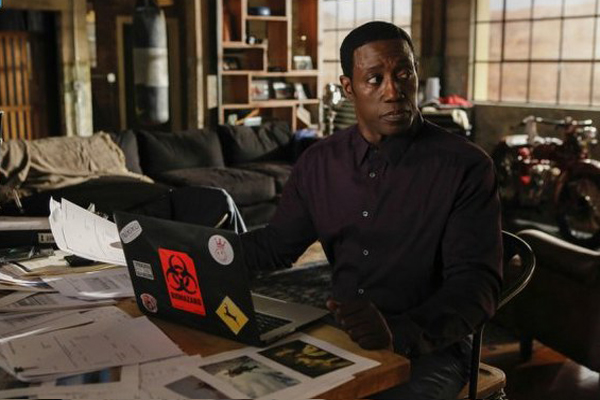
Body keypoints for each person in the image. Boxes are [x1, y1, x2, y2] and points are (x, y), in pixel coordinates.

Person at [241, 21, 502, 400]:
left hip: (430, 349)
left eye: (403, 75)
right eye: (375, 79)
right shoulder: (319, 163)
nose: (393, 92)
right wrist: (201, 249)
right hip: (339, 334)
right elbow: (276, 246)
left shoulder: (465, 167)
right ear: (349, 88)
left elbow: (476, 287)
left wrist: (398, 332)